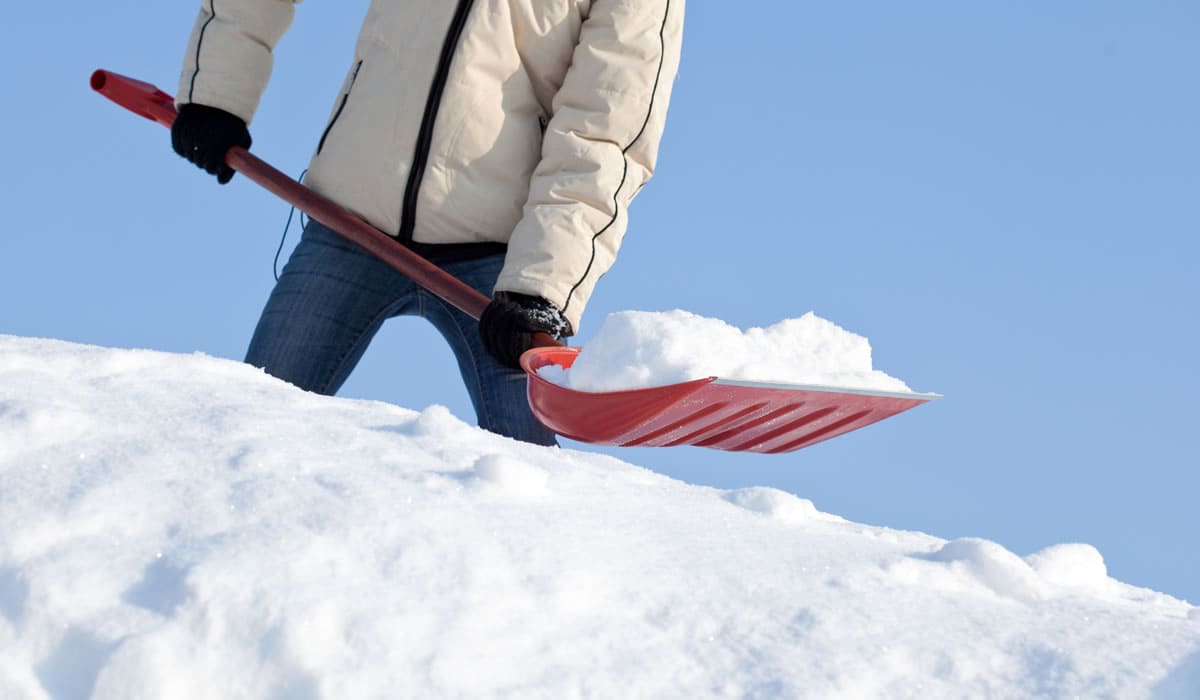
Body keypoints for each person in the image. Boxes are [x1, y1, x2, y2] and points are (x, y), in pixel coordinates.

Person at [170, 0, 685, 445]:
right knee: (248, 429)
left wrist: (541, 290)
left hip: (504, 270)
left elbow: (605, 136)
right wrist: (215, 92)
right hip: (352, 224)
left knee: (528, 480)